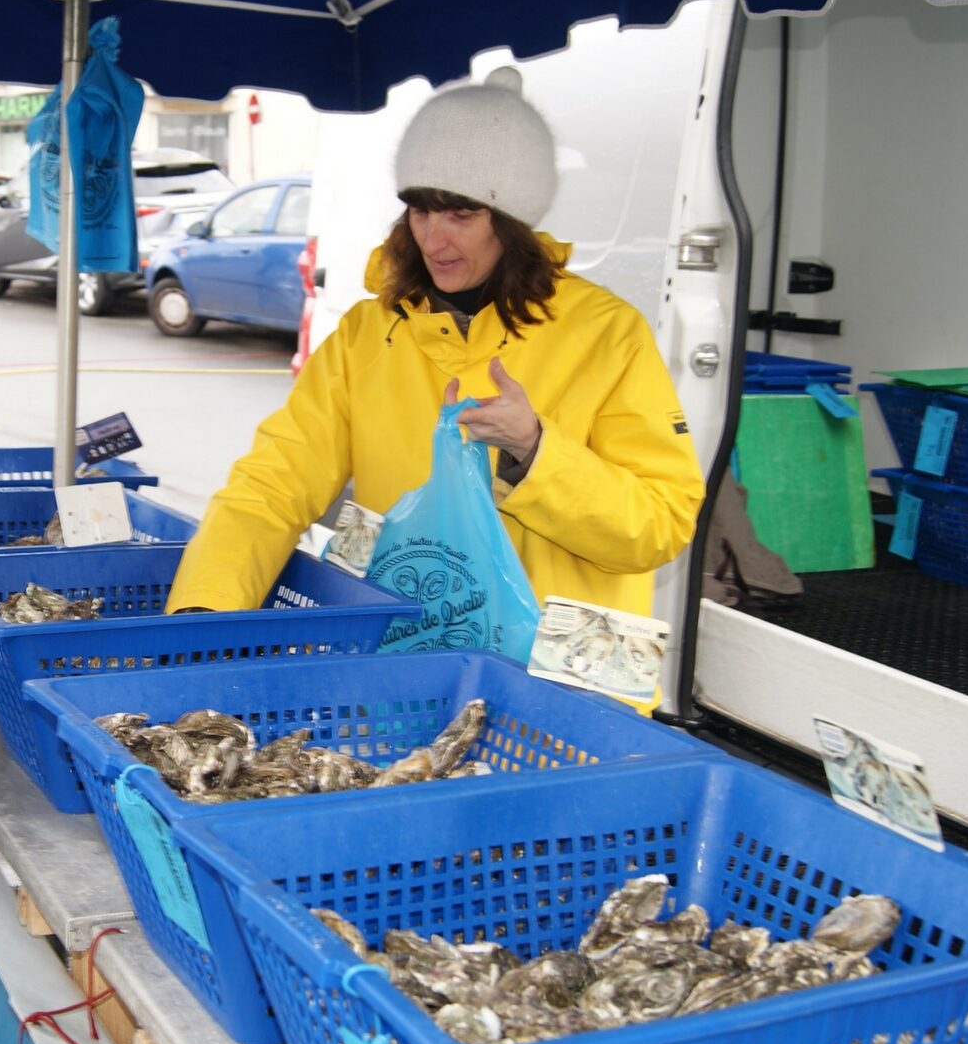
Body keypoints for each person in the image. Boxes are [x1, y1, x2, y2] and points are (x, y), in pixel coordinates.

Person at [167, 69, 706, 658]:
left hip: (559, 681)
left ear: (512, 220)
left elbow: (661, 526)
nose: (434, 238)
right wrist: (205, 609)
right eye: (421, 211)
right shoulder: (368, 334)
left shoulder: (608, 334)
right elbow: (271, 485)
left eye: (461, 214)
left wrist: (536, 452)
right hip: (412, 665)